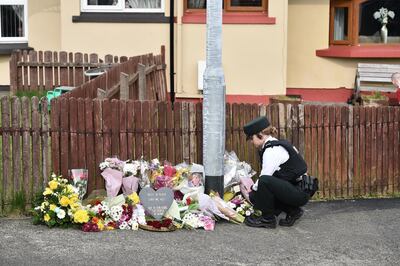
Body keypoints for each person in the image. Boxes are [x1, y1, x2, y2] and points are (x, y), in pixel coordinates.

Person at [242, 116, 309, 228]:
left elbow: (265, 177)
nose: (251, 142)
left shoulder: (271, 150)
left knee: (263, 183)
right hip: (299, 190)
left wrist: (251, 193)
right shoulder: (276, 144)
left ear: (260, 135)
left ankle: (267, 219)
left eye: (251, 138)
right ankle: (293, 211)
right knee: (268, 185)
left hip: (299, 193)